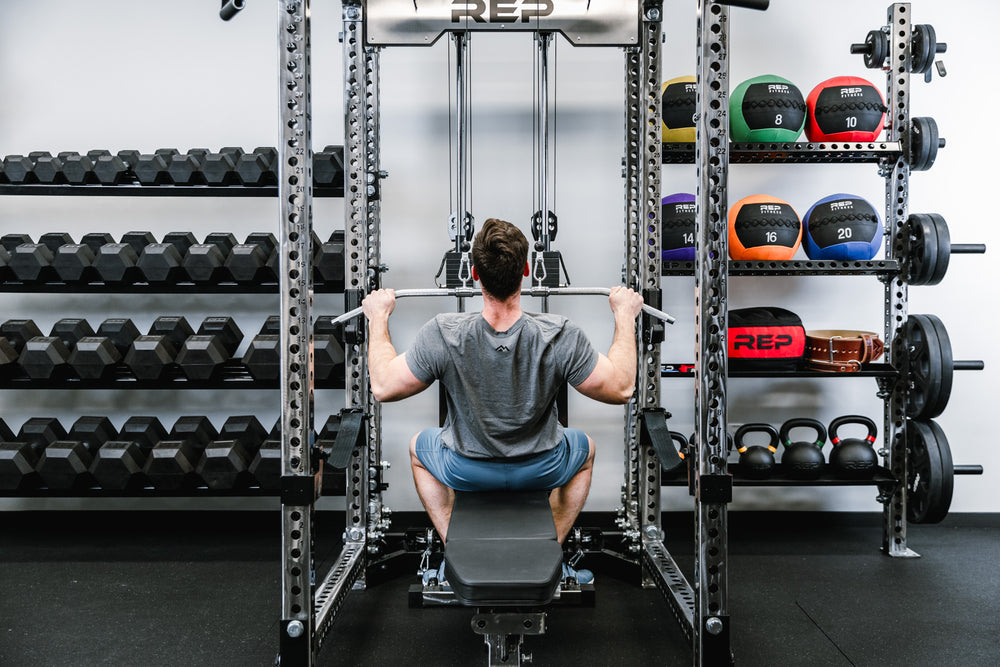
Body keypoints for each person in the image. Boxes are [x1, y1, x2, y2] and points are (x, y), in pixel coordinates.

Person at [361, 218, 643, 583]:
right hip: (541, 467)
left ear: (475, 274)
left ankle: (459, 553)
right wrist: (624, 315)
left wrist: (377, 318)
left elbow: (383, 385)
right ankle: (547, 551)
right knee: (584, 450)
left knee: (419, 449)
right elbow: (622, 388)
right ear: (526, 270)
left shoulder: (444, 333)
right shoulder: (560, 334)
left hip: (467, 468)